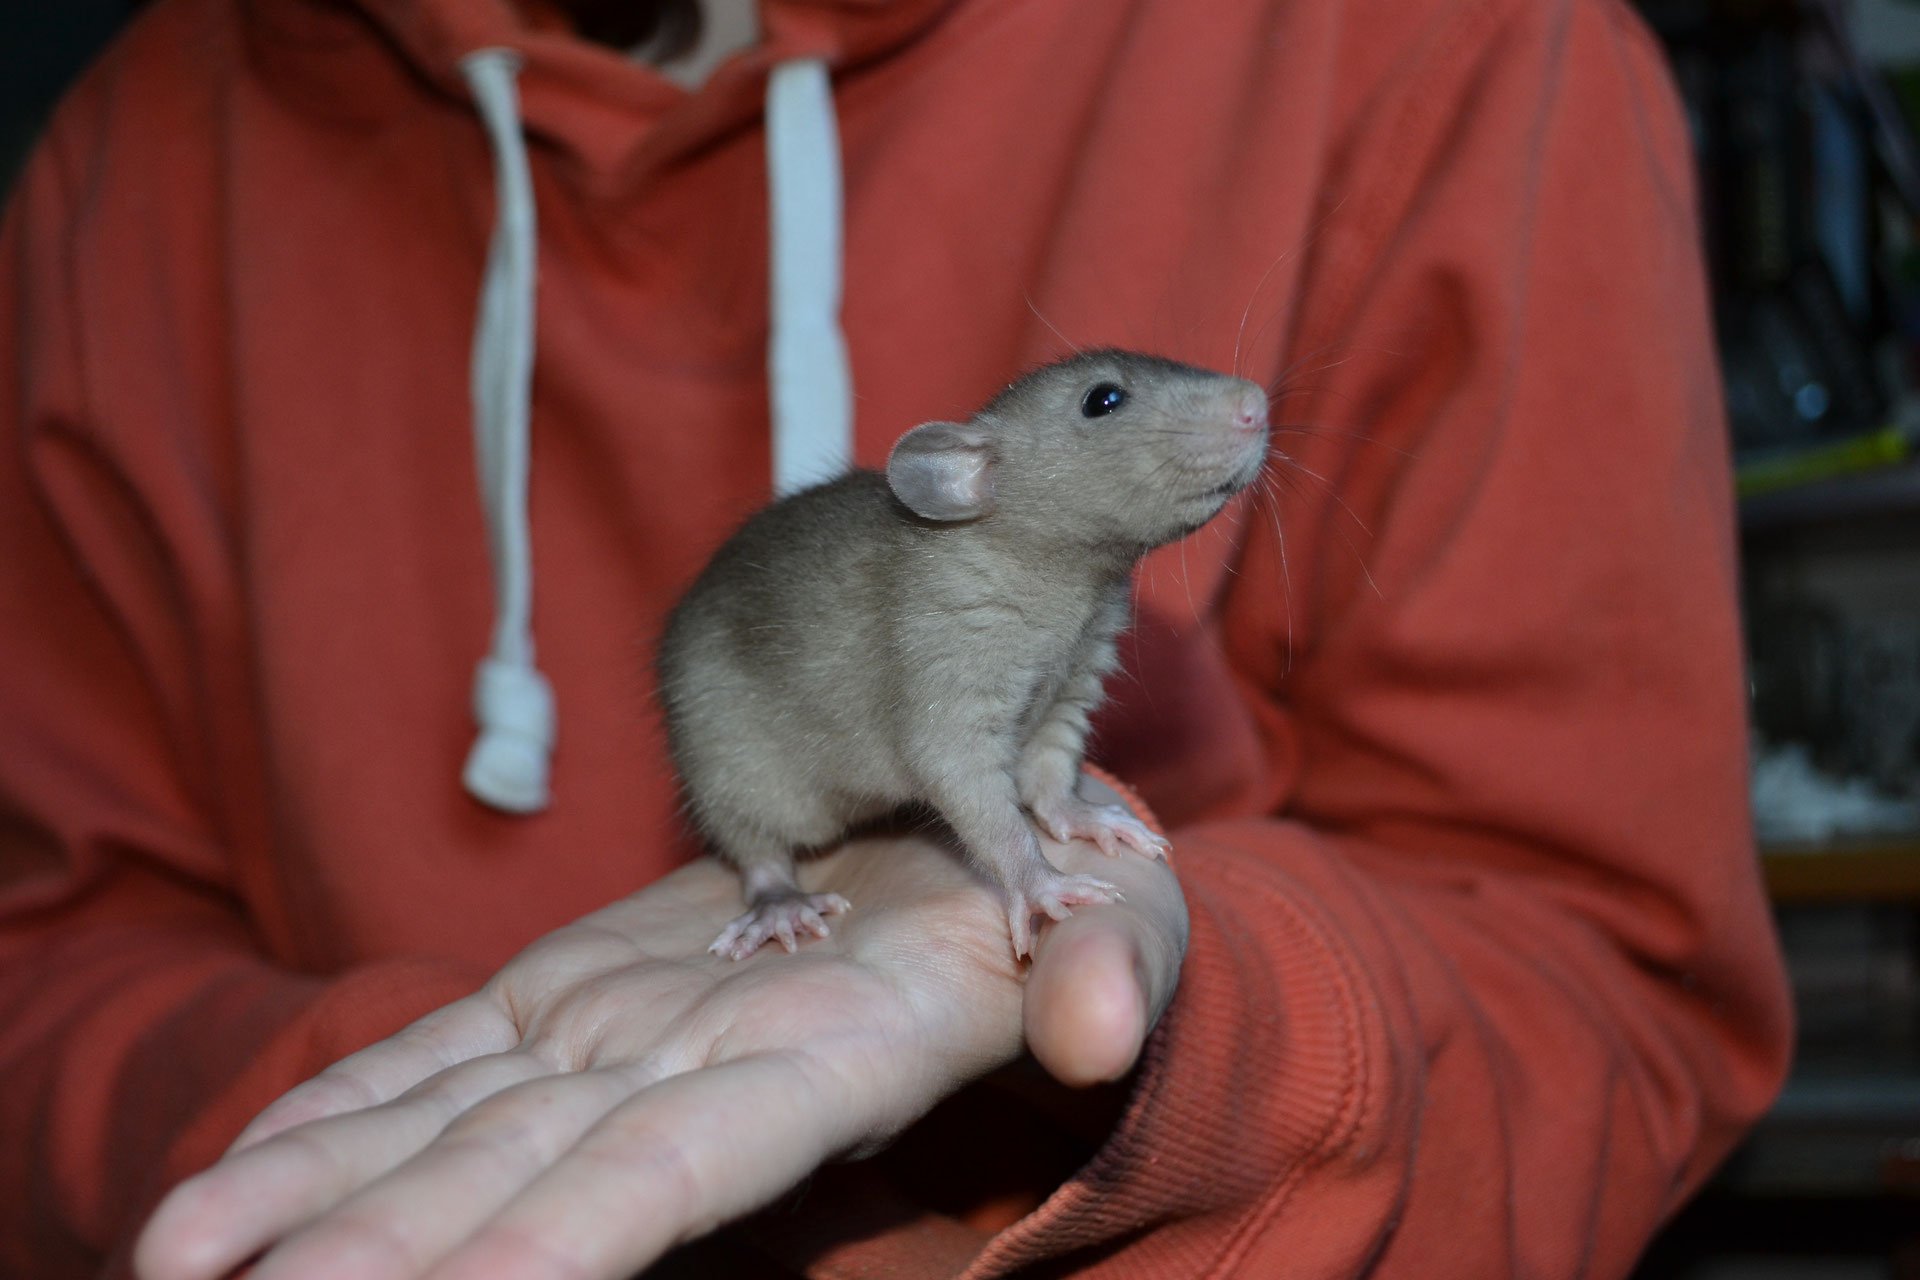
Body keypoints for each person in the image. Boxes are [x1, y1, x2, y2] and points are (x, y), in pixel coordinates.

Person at [0, 0, 1793, 1276]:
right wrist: (430, 1115)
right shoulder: (134, 156)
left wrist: (1207, 1039)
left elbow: (1610, 981)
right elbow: (46, 957)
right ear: (965, 478)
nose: (1242, 407)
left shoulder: (1456, 46)